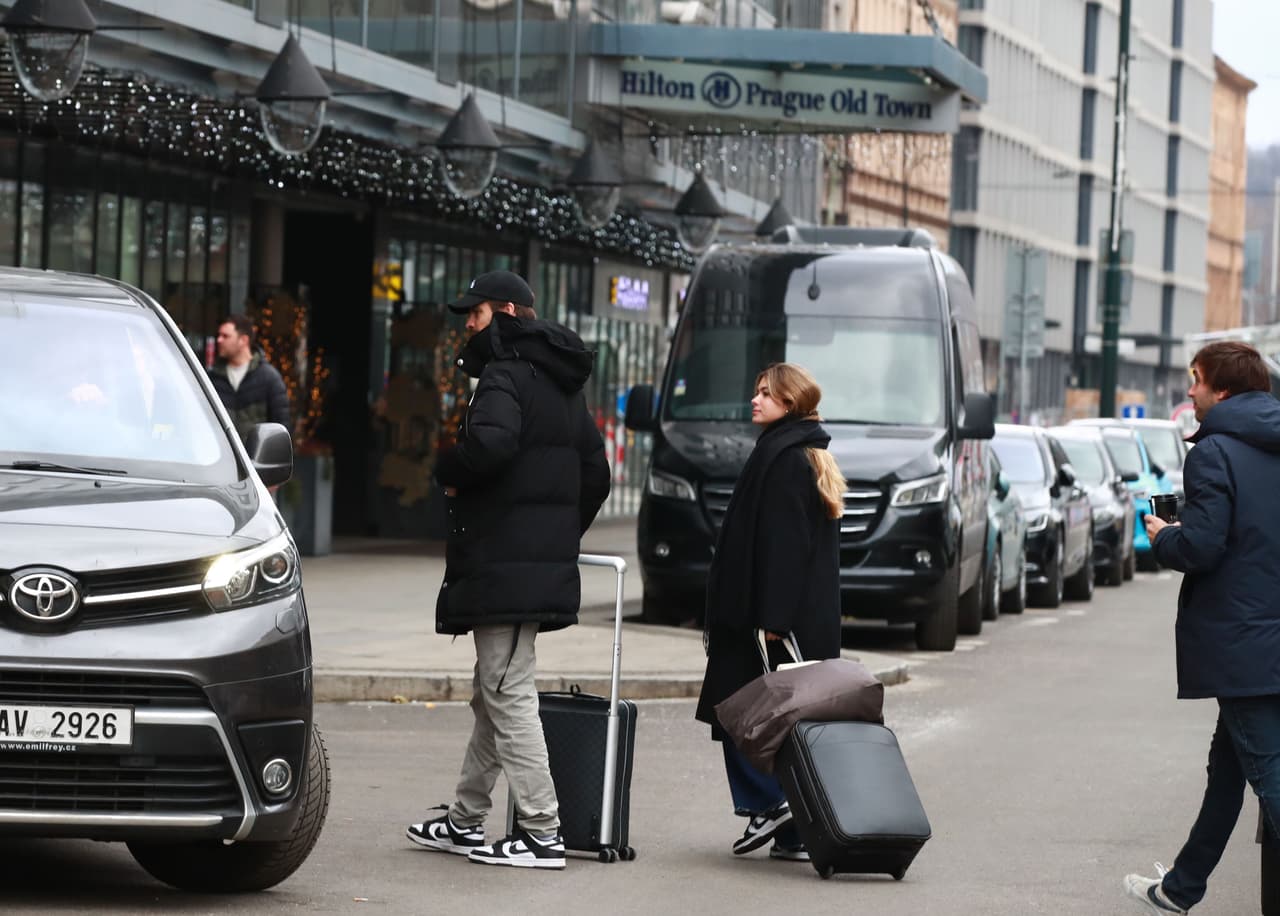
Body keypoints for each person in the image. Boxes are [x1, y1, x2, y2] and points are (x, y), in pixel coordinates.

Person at [406, 269, 611, 870]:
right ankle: (466, 820)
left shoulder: (502, 375)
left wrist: (448, 468)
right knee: (492, 690)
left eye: (476, 313)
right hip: (525, 564)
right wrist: (554, 536)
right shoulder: (560, 384)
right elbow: (595, 475)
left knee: (506, 690)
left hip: (504, 564)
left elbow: (489, 448)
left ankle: (542, 831)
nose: (467, 324)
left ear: (507, 314)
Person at [1124, 341, 1280, 914]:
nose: (1190, 391)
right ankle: (1181, 888)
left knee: (1267, 774)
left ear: (1224, 390)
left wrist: (1166, 534)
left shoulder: (1214, 452)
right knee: (1227, 771)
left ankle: (1182, 888)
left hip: (1245, 645)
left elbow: (1205, 547)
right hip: (1269, 639)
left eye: (1196, 380)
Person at [694, 362, 845, 862]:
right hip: (783, 618)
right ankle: (793, 830)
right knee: (785, 721)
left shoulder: (782, 459)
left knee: (740, 714)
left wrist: (772, 622)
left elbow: (784, 547)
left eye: (766, 393)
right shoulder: (800, 452)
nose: (755, 399)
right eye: (756, 391)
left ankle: (770, 804)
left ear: (790, 403)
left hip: (765, 621)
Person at [208, 314, 291, 446]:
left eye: (226, 336)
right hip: (221, 462)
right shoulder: (212, 378)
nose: (219, 340)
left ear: (243, 340)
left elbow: (281, 431)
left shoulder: (269, 378)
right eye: (219, 335)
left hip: (254, 464)